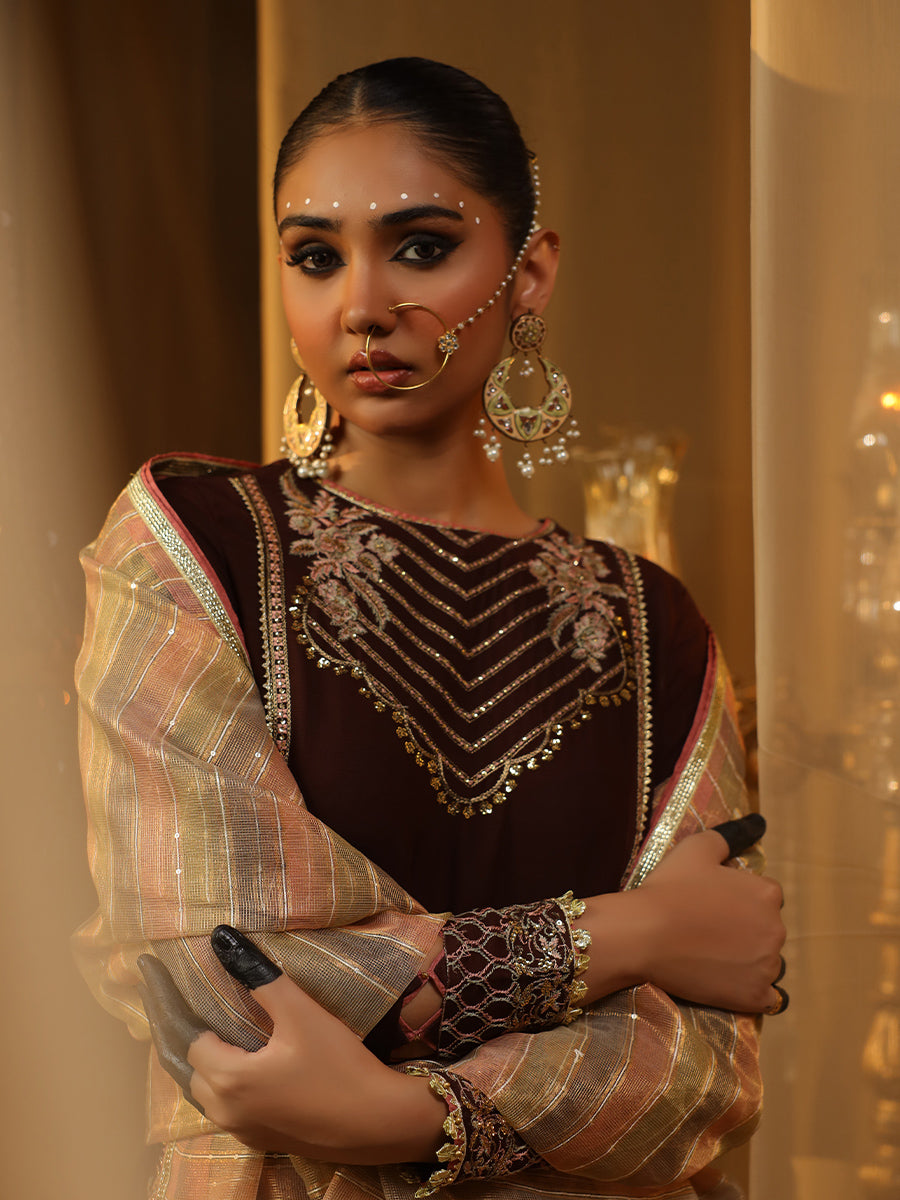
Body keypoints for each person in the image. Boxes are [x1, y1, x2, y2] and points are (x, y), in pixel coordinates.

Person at [74, 58, 786, 1200]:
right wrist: (637, 937)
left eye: (419, 246)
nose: (362, 305)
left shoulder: (656, 626)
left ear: (529, 272)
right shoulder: (191, 548)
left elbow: (703, 1068)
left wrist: (413, 1116)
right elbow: (213, 976)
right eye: (316, 256)